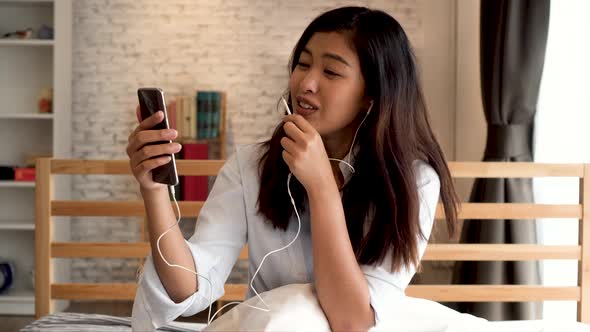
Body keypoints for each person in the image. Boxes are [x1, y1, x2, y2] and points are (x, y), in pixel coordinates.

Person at [127, 6, 459, 332]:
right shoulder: (250, 167)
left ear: (371, 95)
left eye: (331, 72)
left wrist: (322, 188)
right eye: (303, 64)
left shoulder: (414, 181)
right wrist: (154, 191)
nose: (307, 83)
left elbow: (353, 321)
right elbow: (187, 286)